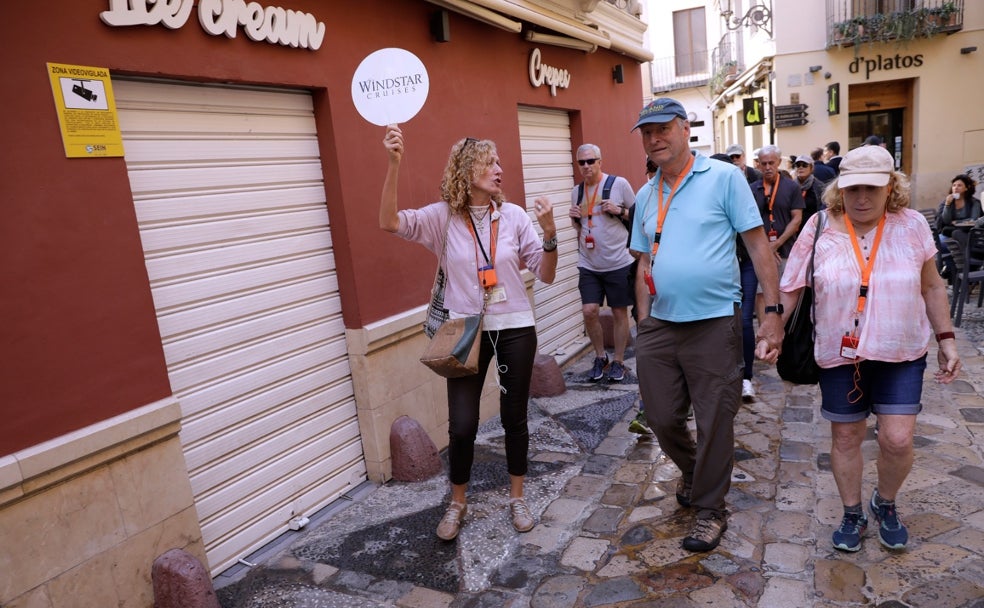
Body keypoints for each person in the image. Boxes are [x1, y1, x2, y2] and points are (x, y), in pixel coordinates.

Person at [775, 144, 961, 552]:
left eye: (872, 189)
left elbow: (931, 285)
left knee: (896, 439)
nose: (861, 198)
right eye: (852, 188)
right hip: (840, 354)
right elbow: (791, 286)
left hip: (901, 351)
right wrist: (773, 331)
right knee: (846, 438)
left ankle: (886, 502)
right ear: (839, 188)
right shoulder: (819, 226)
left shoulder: (911, 225)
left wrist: (946, 338)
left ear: (890, 187)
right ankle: (852, 512)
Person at [379, 125, 558, 541]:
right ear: (466, 169)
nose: (499, 169)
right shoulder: (441, 218)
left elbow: (545, 275)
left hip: (514, 328)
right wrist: (393, 163)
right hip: (464, 332)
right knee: (462, 425)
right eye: (490, 162)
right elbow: (388, 221)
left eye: (499, 163)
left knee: (514, 419)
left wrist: (549, 234)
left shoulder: (512, 217)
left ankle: (517, 497)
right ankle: (457, 502)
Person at [629, 98, 784, 552]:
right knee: (659, 416)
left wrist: (771, 315)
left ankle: (711, 509)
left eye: (662, 129)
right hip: (659, 321)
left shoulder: (725, 178)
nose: (654, 138)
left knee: (716, 417)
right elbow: (643, 261)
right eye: (646, 132)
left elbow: (758, 248)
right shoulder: (645, 194)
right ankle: (697, 472)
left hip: (714, 321)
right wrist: (642, 321)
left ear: (684, 129)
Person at [569, 144, 637, 382]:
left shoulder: (619, 184)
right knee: (589, 311)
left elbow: (638, 215)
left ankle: (618, 360)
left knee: (619, 312)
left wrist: (620, 210)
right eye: (581, 162)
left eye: (590, 161)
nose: (586, 166)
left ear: (600, 161)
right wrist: (575, 221)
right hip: (589, 263)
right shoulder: (577, 191)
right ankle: (600, 356)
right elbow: (580, 229)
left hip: (618, 261)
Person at [716, 152, 763, 402]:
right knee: (720, 322)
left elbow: (757, 237)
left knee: (744, 320)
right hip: (720, 269)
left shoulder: (746, 195)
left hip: (744, 264)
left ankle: (746, 378)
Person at [751, 145, 804, 337]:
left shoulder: (791, 187)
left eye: (771, 163)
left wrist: (777, 243)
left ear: (778, 162)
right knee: (761, 294)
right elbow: (750, 222)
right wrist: (766, 247)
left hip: (787, 251)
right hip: (762, 253)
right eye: (763, 164)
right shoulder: (753, 189)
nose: (767, 167)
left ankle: (783, 334)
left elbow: (796, 218)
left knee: (786, 293)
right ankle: (766, 336)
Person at [936, 174, 982, 278]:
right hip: (948, 234)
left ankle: (953, 274)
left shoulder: (974, 202)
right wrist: (947, 205)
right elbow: (946, 221)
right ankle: (960, 274)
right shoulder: (947, 202)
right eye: (954, 185)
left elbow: (974, 219)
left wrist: (956, 223)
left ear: (966, 188)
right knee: (947, 244)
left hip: (967, 233)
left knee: (957, 249)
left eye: (959, 185)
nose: (955, 188)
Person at [793, 154, 826, 224]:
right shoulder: (791, 185)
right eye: (798, 165)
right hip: (793, 227)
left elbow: (824, 209)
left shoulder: (819, 186)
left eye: (804, 165)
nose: (800, 167)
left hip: (812, 226)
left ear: (811, 168)